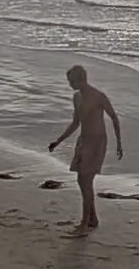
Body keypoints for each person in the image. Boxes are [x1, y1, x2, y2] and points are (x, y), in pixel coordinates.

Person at [49, 65, 122, 235]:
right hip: (84, 141)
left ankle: (83, 225)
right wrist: (58, 141)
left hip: (97, 142)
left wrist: (118, 143)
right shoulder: (77, 97)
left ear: (82, 79)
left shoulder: (98, 97)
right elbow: (76, 123)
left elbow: (114, 118)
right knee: (83, 182)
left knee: (85, 181)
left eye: (72, 81)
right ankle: (93, 218)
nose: (70, 85)